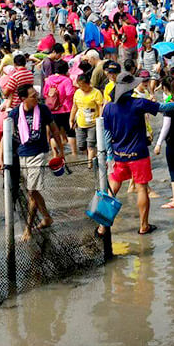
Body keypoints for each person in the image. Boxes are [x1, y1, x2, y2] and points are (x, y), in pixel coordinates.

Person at [102, 73, 174, 235]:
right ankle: (144, 225)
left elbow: (106, 135)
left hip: (118, 155)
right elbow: (162, 107)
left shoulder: (109, 108)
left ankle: (102, 226)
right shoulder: (138, 103)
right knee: (141, 189)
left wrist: (110, 156)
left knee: (112, 188)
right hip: (138, 155)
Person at [7, 83, 64, 241]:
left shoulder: (43, 109)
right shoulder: (14, 114)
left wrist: (61, 151)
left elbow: (54, 130)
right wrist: (1, 159)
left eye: (36, 94)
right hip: (22, 154)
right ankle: (46, 217)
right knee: (33, 191)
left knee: (32, 191)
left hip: (39, 153)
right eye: (33, 96)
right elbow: (4, 136)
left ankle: (28, 227)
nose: (37, 98)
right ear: (23, 99)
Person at [153, 75, 174, 209]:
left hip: (172, 140)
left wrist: (158, 143)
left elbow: (166, 125)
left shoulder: (168, 104)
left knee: (173, 170)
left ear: (165, 88)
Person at [70, 72, 104, 168]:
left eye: (83, 86)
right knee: (81, 146)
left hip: (93, 124)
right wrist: (71, 119)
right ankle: (93, 157)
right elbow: (74, 107)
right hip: (81, 123)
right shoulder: (77, 93)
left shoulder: (96, 93)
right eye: (79, 86)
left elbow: (100, 106)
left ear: (89, 84)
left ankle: (90, 166)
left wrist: (100, 120)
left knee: (91, 145)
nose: (81, 88)